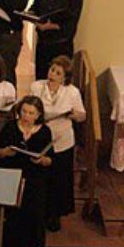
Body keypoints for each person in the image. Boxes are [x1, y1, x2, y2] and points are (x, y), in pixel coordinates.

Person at [0, 96, 54, 247]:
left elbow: (51, 159)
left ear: (38, 114)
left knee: (34, 216)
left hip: (35, 180)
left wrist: (42, 160)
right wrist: (6, 152)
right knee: (11, 216)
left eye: (31, 113)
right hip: (11, 175)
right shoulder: (11, 127)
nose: (26, 116)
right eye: (24, 112)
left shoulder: (45, 131)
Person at [30, 55, 86, 232]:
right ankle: (40, 212)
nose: (52, 74)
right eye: (52, 70)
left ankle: (55, 215)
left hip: (62, 141)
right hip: (41, 138)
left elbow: (82, 115)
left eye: (58, 73)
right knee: (41, 178)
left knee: (59, 179)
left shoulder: (72, 91)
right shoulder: (37, 86)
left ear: (65, 77)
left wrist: (74, 114)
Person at [31, 0, 83, 79]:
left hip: (61, 46)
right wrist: (31, 16)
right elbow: (35, 7)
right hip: (43, 43)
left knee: (59, 82)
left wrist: (51, 26)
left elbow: (71, 24)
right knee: (41, 80)